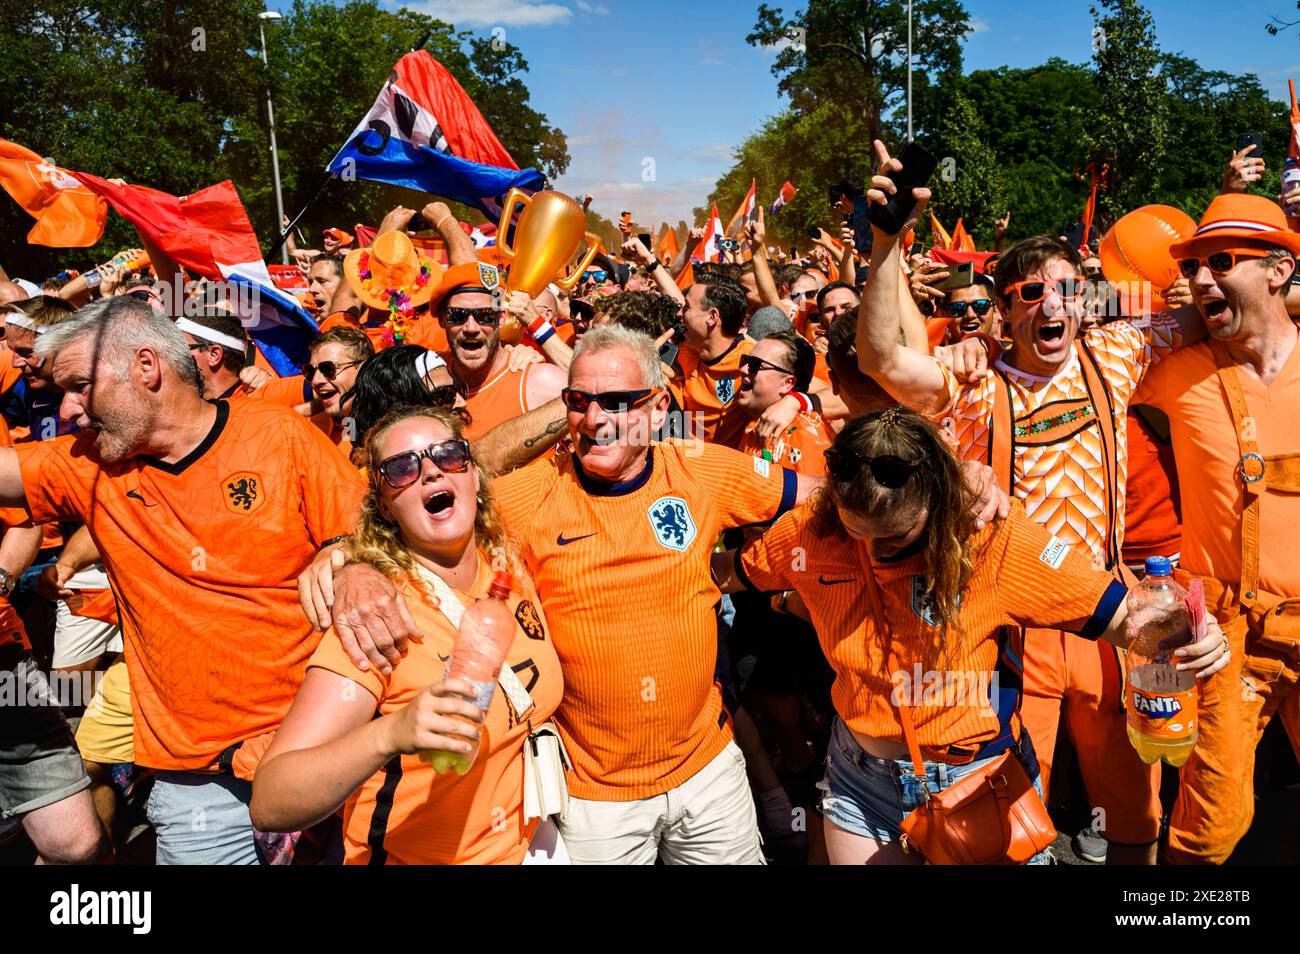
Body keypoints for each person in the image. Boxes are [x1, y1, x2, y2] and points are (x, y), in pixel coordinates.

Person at [321, 325, 821, 864]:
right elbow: (425, 511)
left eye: (617, 402)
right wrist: (351, 564)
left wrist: (748, 570)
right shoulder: (531, 493)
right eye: (579, 401)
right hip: (592, 797)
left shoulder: (697, 466)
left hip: (710, 774)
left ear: (656, 410)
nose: (596, 419)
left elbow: (823, 499)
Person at [855, 138, 1210, 864]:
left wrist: (1198, 279)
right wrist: (884, 246)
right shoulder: (978, 384)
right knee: (1013, 824)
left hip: (1117, 614)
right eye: (1032, 295)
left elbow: (1224, 314)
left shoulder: (1117, 351)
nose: (1054, 304)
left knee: (1135, 815)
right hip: (1019, 632)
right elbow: (883, 360)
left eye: (1069, 289)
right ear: (1005, 313)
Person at [712, 407, 1231, 864]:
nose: (871, 553)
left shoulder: (994, 542)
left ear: (937, 504)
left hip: (974, 785)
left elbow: (1129, 619)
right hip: (858, 778)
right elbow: (728, 573)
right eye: (856, 533)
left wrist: (1194, 639)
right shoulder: (811, 531)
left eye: (894, 537)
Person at [0, 296, 365, 864]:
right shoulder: (88, 463)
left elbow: (373, 537)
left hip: (319, 754)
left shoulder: (279, 436)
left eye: (78, 385)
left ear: (146, 367)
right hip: (198, 785)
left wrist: (345, 550)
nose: (69, 410)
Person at [251, 406, 563, 864]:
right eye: (402, 468)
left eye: (449, 455)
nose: (431, 471)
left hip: (535, 844)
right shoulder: (378, 618)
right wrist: (391, 734)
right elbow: (272, 799)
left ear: (474, 476)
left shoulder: (507, 563)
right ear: (384, 505)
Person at [1133, 193, 1300, 864]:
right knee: (1209, 832)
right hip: (1228, 634)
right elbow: (1063, 367)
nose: (1200, 279)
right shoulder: (1175, 374)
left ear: (1280, 269)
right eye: (1194, 265)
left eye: (1221, 262)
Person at [737, 331, 835, 477]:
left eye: (755, 365)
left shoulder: (800, 435)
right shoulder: (759, 417)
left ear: (787, 383)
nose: (743, 369)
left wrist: (795, 401)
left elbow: (811, 497)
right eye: (745, 360)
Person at [304, 326, 375, 458]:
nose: (315, 381)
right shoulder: (309, 429)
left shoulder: (394, 428)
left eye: (328, 369)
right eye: (310, 371)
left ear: (364, 369)